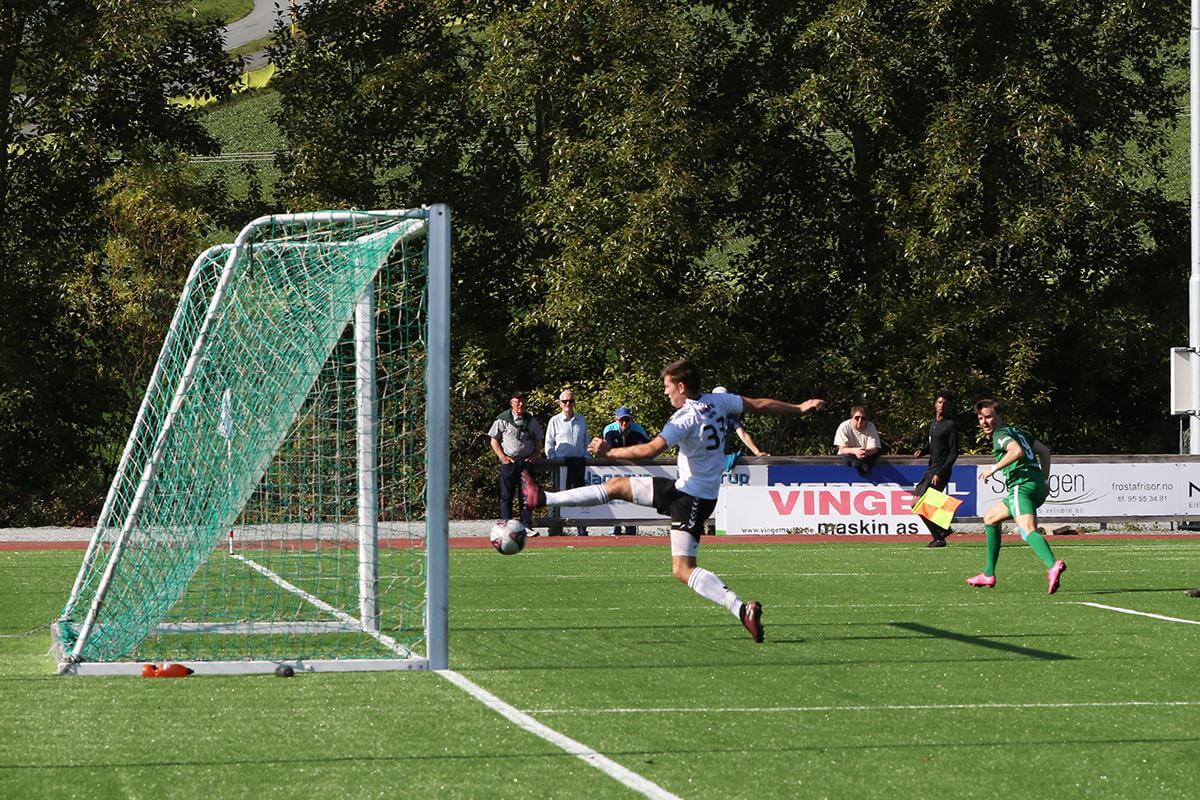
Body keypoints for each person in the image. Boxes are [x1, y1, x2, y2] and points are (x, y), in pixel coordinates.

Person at [522, 359, 825, 643]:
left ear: (681, 386)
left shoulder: (685, 417)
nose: (666, 392)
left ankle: (740, 608)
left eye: (668, 387)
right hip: (686, 490)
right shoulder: (719, 402)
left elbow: (649, 451)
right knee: (616, 486)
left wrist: (608, 453)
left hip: (690, 499)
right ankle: (544, 497)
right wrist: (798, 408)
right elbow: (758, 404)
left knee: (682, 569)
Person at [966, 399, 1066, 594]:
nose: (984, 422)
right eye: (980, 418)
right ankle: (988, 574)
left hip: (1022, 487)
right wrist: (1045, 481)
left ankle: (1052, 564)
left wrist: (993, 469)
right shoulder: (1018, 432)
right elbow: (1044, 451)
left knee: (1028, 530)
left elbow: (1016, 451)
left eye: (988, 417)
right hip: (1035, 486)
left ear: (1000, 417)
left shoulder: (1000, 434)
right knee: (990, 518)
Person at [488, 390, 543, 529]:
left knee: (526, 496)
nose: (520, 404)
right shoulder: (502, 419)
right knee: (507, 496)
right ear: (511, 403)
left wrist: (535, 455)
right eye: (517, 401)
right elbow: (494, 440)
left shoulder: (531, 420)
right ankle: (506, 526)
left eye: (523, 401)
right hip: (510, 463)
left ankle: (526, 526)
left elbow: (538, 441)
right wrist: (502, 457)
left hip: (526, 463)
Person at [912, 392, 958, 548]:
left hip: (939, 471)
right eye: (939, 402)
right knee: (917, 504)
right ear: (935, 404)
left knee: (920, 504)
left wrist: (940, 472)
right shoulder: (933, 423)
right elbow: (932, 444)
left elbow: (953, 452)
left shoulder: (950, 425)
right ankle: (943, 530)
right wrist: (923, 450)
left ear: (949, 406)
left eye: (945, 403)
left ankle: (939, 536)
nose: (942, 405)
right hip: (930, 469)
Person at [544, 389, 589, 536]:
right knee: (557, 496)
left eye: (570, 401)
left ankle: (581, 528)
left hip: (579, 464)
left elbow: (586, 442)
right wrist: (554, 462)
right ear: (560, 404)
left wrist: (586, 457)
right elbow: (549, 444)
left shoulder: (581, 420)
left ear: (574, 403)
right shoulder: (554, 421)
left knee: (580, 496)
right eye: (565, 401)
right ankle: (555, 528)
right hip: (560, 465)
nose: (568, 404)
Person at [602, 406, 651, 535]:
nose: (624, 423)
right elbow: (610, 450)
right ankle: (614, 531)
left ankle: (631, 532)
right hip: (614, 472)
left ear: (631, 420)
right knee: (615, 500)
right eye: (621, 420)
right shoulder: (609, 429)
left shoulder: (638, 430)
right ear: (616, 419)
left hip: (633, 473)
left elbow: (646, 450)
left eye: (627, 420)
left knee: (632, 500)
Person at [712, 386, 769, 460]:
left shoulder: (730, 417)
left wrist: (757, 452)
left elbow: (743, 435)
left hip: (722, 459)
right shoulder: (704, 415)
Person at [834, 405, 881, 476]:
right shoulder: (844, 427)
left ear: (866, 420)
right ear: (851, 418)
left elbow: (874, 449)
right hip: (848, 457)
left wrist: (863, 452)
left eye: (863, 418)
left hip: (866, 456)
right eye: (857, 418)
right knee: (846, 457)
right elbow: (842, 449)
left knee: (876, 455)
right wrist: (855, 451)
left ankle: (864, 468)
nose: (860, 421)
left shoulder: (871, 426)